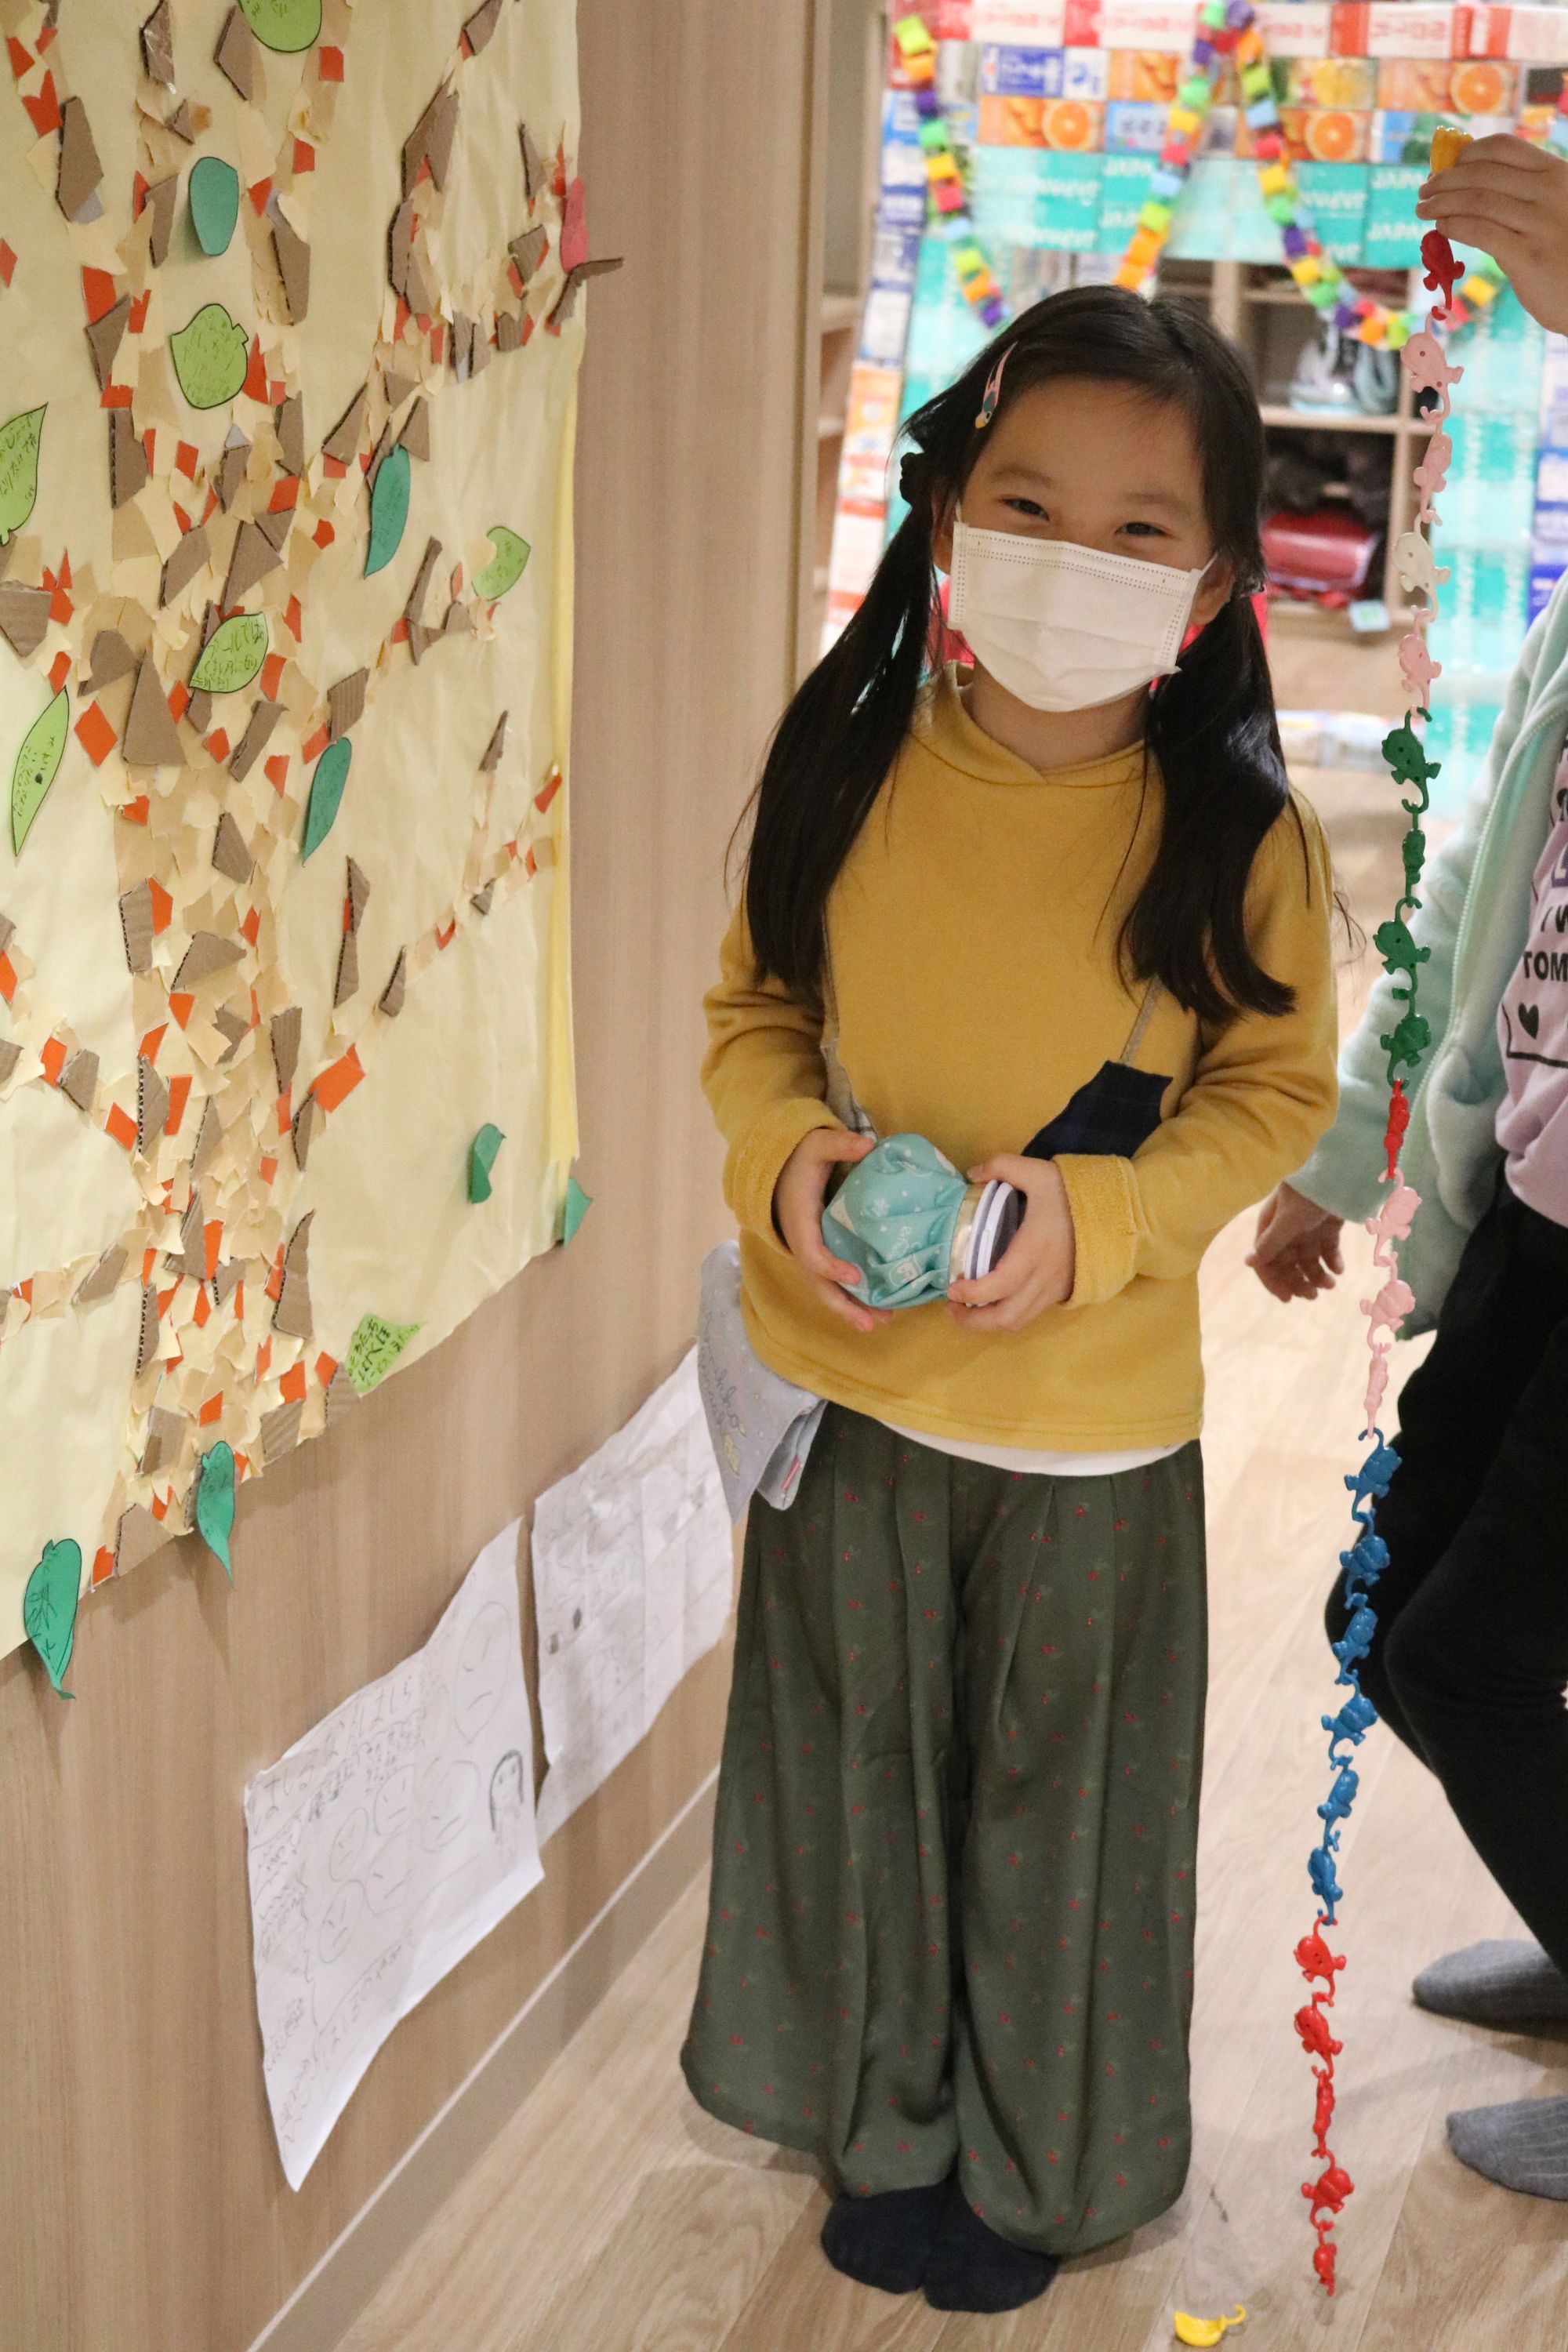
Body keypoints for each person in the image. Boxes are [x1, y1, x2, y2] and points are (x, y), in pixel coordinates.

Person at [684, 285, 1339, 2314]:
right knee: (855, 1778)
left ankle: (1047, 2168)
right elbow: (753, 1017)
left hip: (1091, 1439)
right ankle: (879, 2130)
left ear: (1211, 585)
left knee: (1068, 1810)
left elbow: (1271, 1093)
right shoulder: (846, 764)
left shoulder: (1239, 833)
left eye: (1139, 529)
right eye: (1028, 505)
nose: (1073, 558)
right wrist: (787, 1163)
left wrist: (1109, 1217)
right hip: (849, 1393)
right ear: (950, 517)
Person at [1250, 134, 1568, 2205]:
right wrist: (1350, 1146)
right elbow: (1470, 896)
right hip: (1541, 1197)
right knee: (1405, 1605)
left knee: (1467, 1645)